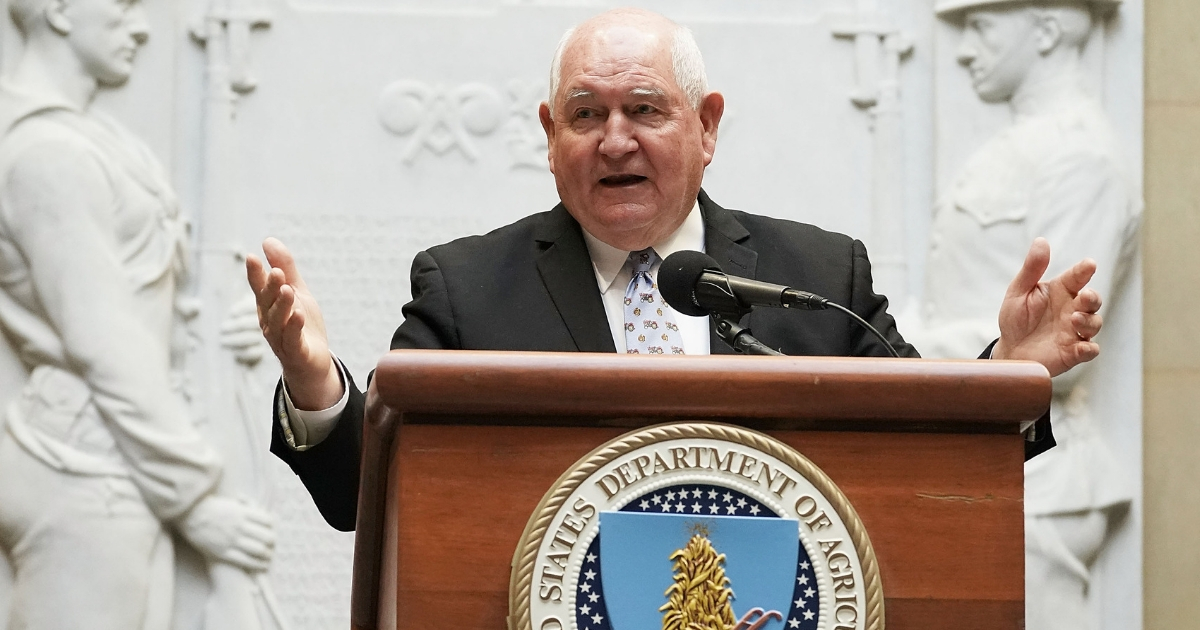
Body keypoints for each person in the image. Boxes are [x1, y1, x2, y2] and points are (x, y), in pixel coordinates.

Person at [248, 8, 1105, 533]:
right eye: (586, 114)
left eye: (644, 110)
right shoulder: (467, 287)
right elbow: (368, 499)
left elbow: (924, 452)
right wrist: (316, 382)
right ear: (551, 136)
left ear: (707, 124)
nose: (614, 139)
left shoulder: (815, 274)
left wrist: (1012, 376)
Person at [0, 0, 275, 628]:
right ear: (62, 12)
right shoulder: (46, 155)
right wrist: (195, 501)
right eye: (123, 6)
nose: (144, 25)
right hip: (84, 470)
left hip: (117, 459)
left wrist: (221, 324)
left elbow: (141, 296)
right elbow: (105, 340)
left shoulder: (95, 137)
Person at [902, 1, 1140, 628]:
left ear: (1048, 29)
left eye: (981, 26)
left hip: (1043, 477)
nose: (962, 50)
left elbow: (1064, 345)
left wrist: (889, 345)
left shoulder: (1082, 156)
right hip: (985, 460)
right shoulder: (1017, 146)